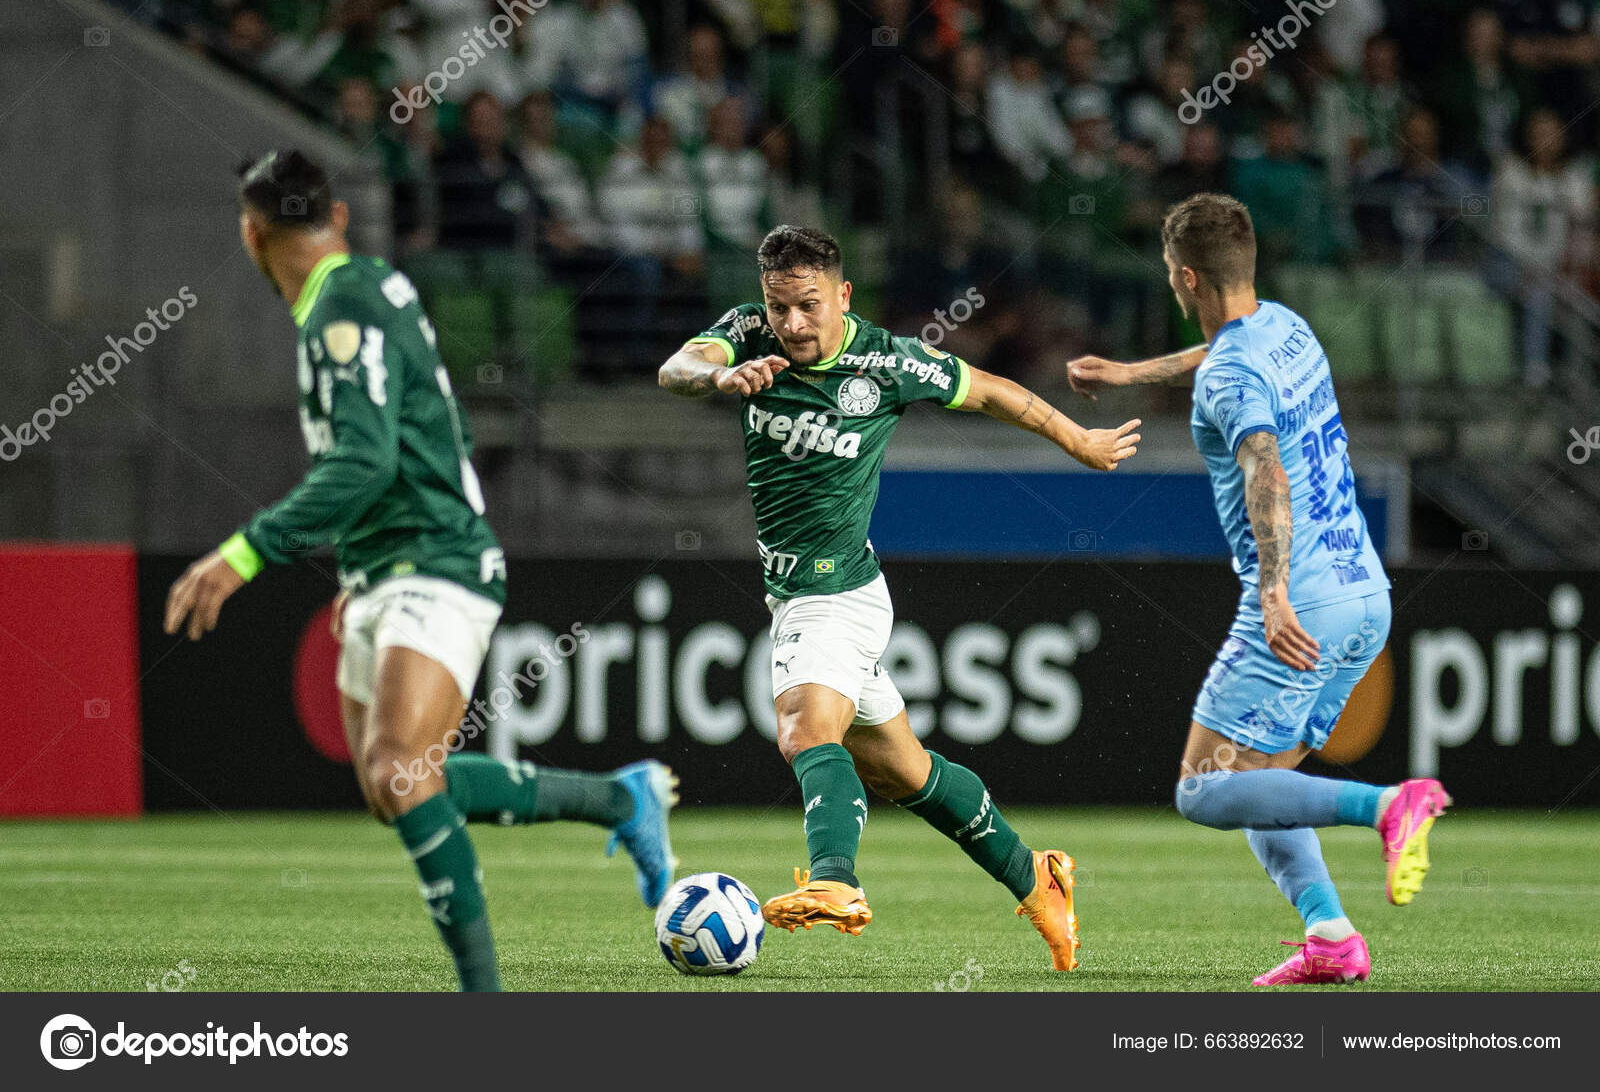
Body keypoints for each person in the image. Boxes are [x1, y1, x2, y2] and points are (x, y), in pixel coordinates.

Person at [163, 150, 677, 992]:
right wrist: (362, 560)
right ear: (338, 217)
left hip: (432, 560)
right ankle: (620, 801)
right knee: (393, 784)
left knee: (400, 768)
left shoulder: (343, 309)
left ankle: (483, 1002)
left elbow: (363, 463)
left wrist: (243, 551)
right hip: (388, 562)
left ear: (252, 233)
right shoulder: (366, 286)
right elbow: (427, 435)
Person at [657, 224, 1144, 972]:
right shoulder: (747, 334)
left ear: (842, 295)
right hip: (796, 596)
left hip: (837, 596)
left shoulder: (886, 360)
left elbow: (992, 393)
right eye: (779, 307)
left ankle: (836, 883)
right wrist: (718, 378)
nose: (791, 325)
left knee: (802, 729)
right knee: (901, 771)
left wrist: (1078, 439)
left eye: (808, 306)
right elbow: (677, 368)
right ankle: (1036, 876)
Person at [1065, 193, 1450, 986]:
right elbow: (1221, 359)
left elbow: (1263, 463)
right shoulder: (1285, 325)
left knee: (1204, 789)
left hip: (1300, 598)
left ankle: (1387, 806)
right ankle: (1332, 938)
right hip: (1363, 591)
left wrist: (1273, 592)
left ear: (1185, 277)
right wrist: (1135, 373)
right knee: (1259, 783)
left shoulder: (1231, 373)